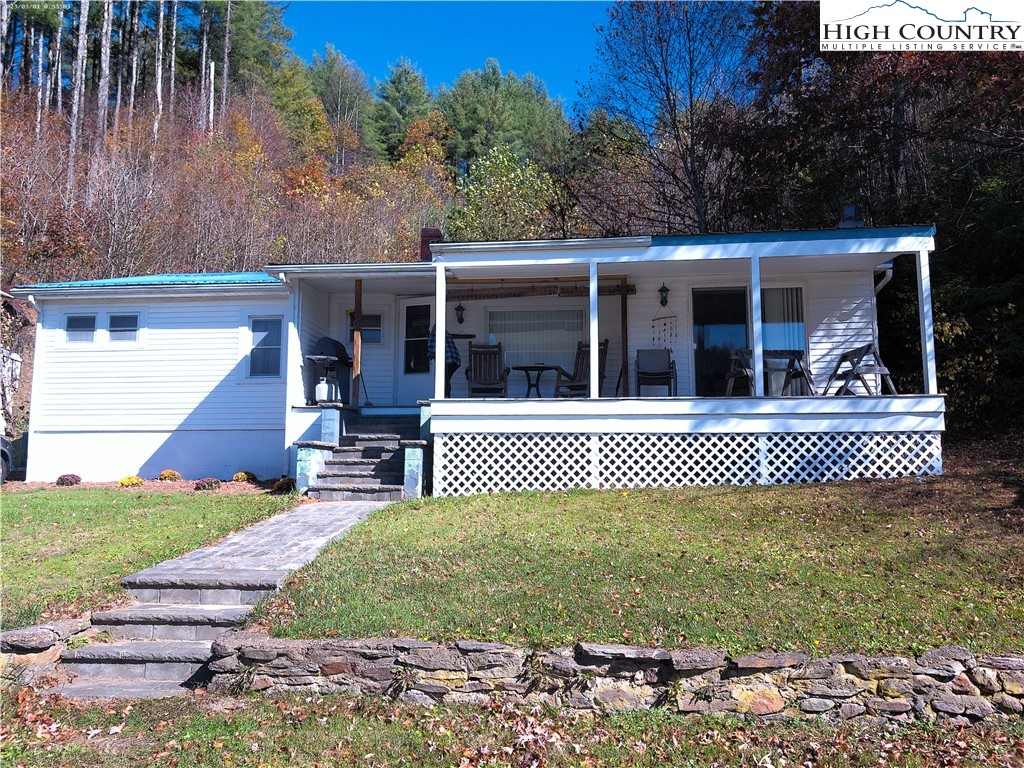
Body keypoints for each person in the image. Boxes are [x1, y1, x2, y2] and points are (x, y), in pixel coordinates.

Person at [428, 327, 460, 398]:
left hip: (446, 359)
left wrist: (429, 356)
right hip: (455, 359)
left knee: (444, 379)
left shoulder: (434, 334)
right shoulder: (447, 334)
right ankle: (446, 395)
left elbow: (432, 348)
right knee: (446, 379)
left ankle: (446, 396)